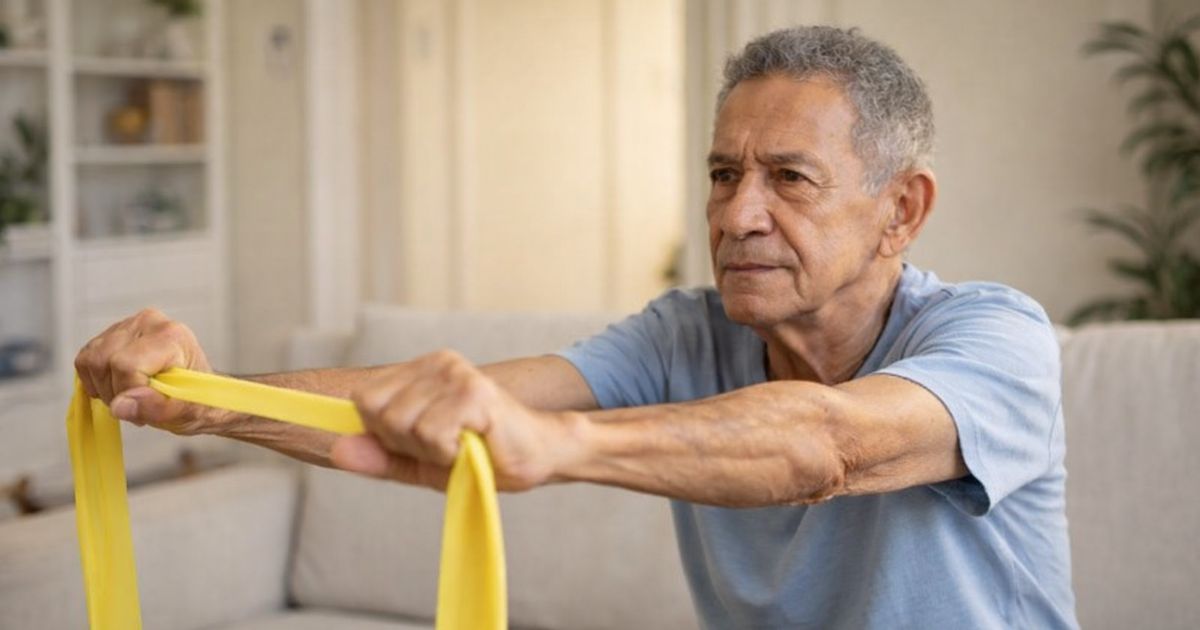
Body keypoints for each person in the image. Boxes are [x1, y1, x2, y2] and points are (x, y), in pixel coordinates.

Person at [73, 26, 1078, 629]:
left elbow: (826, 442)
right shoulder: (687, 336)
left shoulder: (997, 340)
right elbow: (438, 410)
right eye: (724, 176)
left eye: (789, 180)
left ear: (903, 209)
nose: (736, 216)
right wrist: (205, 399)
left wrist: (557, 447)